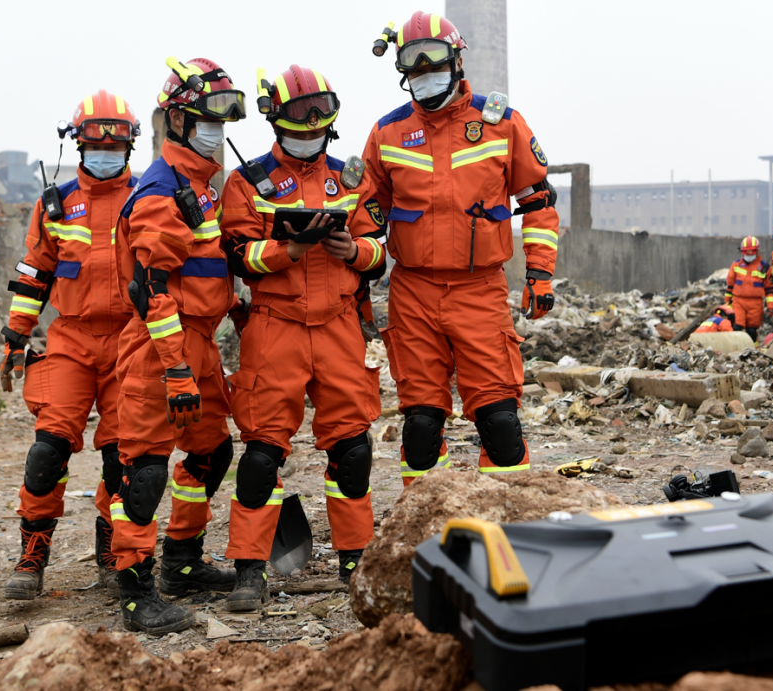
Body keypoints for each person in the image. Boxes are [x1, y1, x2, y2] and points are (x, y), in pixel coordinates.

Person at [363, 11, 559, 486]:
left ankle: (509, 526)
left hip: (480, 290)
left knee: (500, 423)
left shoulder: (502, 124)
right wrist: (357, 288)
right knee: (422, 427)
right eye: (415, 71)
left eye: (433, 66)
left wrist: (540, 273)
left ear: (456, 61)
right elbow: (365, 216)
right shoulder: (387, 135)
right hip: (413, 293)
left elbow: (538, 201)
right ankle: (430, 531)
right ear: (405, 76)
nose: (425, 77)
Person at [218, 64, 386, 604]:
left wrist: (353, 251)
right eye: (298, 113)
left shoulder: (352, 179)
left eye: (320, 111)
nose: (311, 123)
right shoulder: (247, 182)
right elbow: (239, 256)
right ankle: (249, 568)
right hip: (275, 326)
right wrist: (288, 249)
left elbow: (379, 252)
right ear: (274, 117)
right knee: (263, 453)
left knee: (353, 449)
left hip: (339, 324)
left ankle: (354, 557)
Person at [110, 57, 247, 634]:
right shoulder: (163, 190)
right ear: (178, 122)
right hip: (159, 350)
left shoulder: (200, 187)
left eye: (225, 116)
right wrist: (174, 371)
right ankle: (137, 591)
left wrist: (238, 312)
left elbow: (205, 270)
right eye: (206, 117)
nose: (218, 128)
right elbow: (152, 293)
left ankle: (182, 560)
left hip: (199, 344)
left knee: (212, 452)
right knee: (143, 469)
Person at [0, 90, 139, 601]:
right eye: (95, 141)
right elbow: (35, 273)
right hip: (72, 339)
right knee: (47, 450)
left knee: (123, 457)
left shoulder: (147, 196)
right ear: (76, 143)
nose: (105, 150)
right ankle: (32, 554)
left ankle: (114, 548)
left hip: (132, 340)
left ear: (130, 145)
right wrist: (17, 334)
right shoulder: (55, 204)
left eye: (116, 141)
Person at [724, 236, 769, 343]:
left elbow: (769, 287)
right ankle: (735, 348)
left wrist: (770, 305)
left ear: (757, 252)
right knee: (737, 326)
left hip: (755, 303)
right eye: (746, 252)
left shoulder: (764, 267)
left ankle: (753, 350)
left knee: (752, 330)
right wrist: (727, 302)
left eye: (751, 252)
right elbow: (730, 284)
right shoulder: (736, 265)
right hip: (739, 301)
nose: (748, 255)